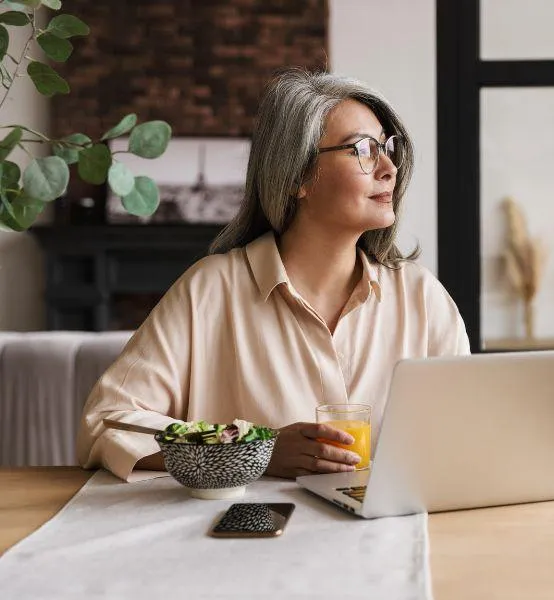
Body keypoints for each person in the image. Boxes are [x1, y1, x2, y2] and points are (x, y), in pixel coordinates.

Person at [77, 69, 470, 482]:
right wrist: (252, 450)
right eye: (363, 150)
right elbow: (106, 423)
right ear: (298, 175)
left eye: (388, 148)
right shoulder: (210, 290)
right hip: (249, 541)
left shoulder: (421, 295)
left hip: (394, 536)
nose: (389, 167)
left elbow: (473, 429)